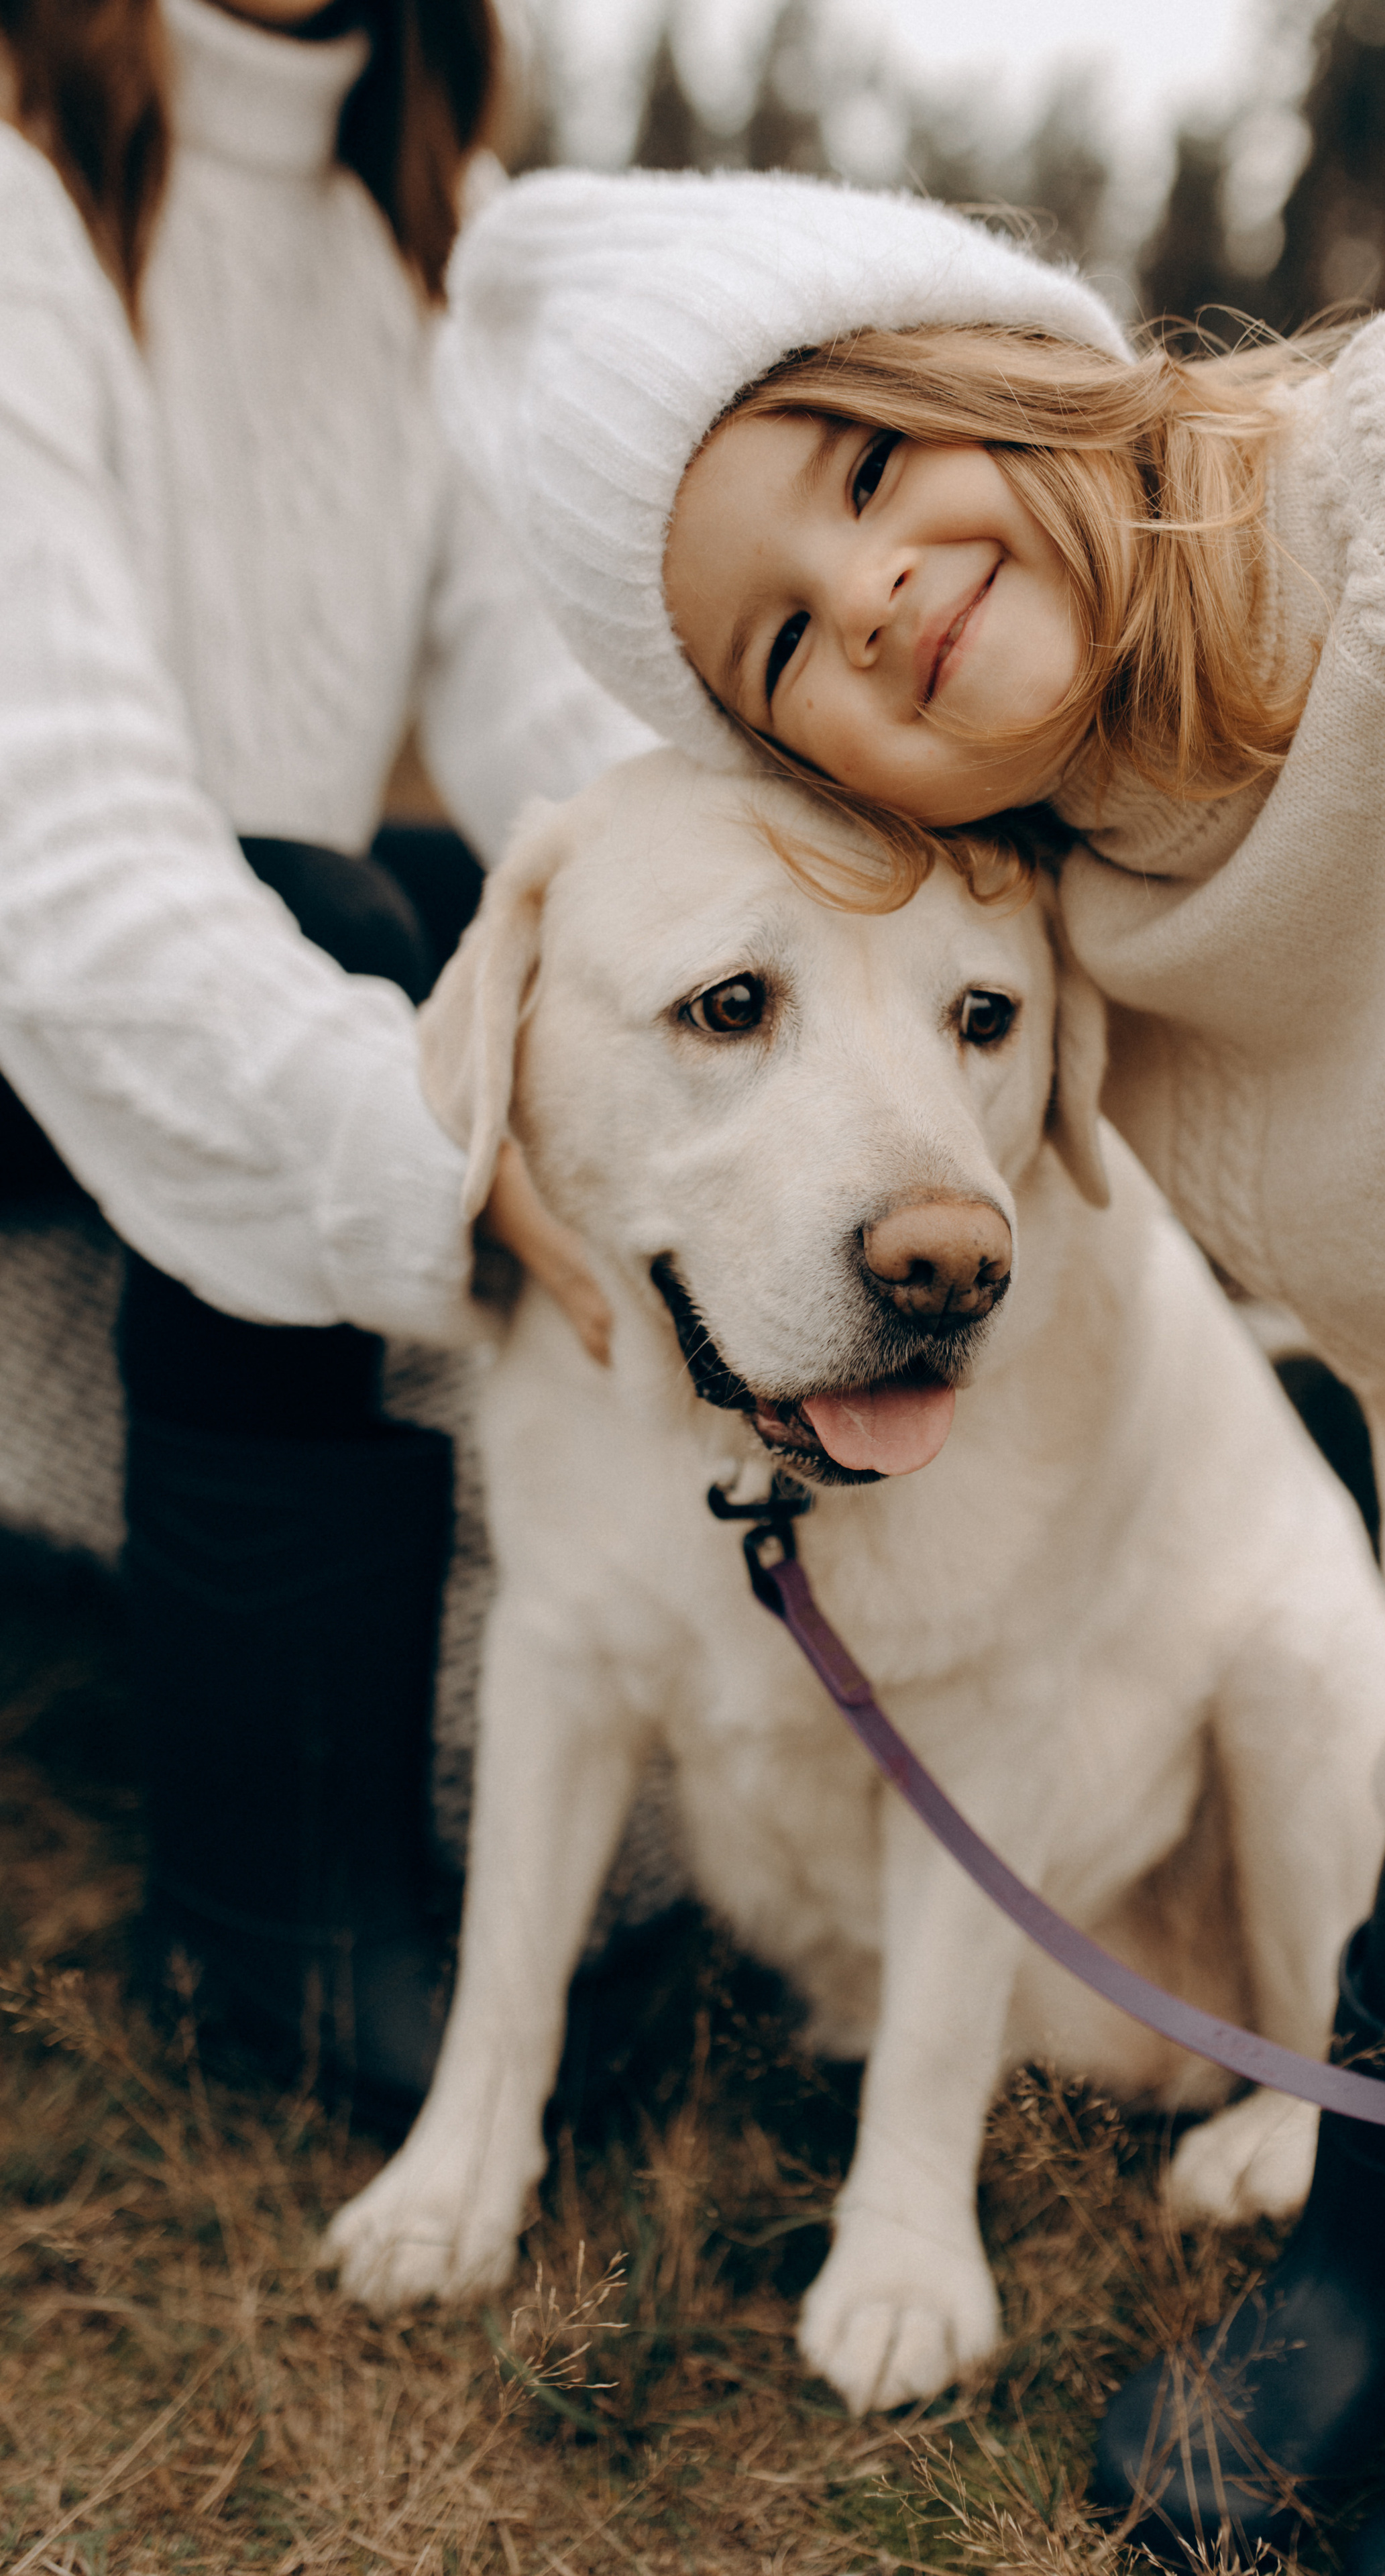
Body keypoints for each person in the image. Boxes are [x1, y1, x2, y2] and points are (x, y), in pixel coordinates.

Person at [425, 168, 1385, 2569]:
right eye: (785, 638)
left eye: (867, 460)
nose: (881, 586)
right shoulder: (1093, 920)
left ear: (1011, 364)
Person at [0, 0, 651, 2130]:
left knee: (461, 895)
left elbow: (551, 732)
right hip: (49, 937)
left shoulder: (416, 250)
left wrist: (785, 948)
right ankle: (278, 1924)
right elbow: (67, 847)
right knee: (335, 920)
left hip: (224, 932)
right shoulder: (21, 192)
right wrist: (419, 1132)